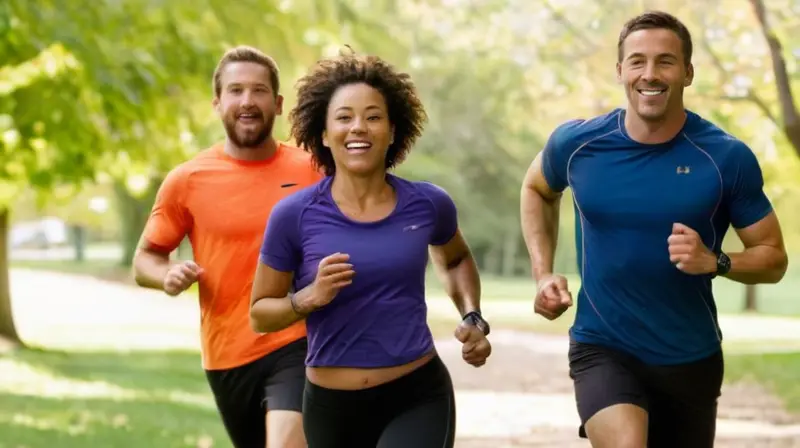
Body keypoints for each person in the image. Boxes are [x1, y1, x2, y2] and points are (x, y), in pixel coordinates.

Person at [520, 11, 788, 448]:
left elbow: (773, 257)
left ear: (687, 72)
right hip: (603, 344)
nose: (650, 73)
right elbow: (536, 189)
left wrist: (715, 261)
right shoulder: (578, 145)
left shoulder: (725, 158)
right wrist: (542, 272)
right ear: (621, 71)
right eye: (638, 61)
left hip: (690, 356)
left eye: (665, 61)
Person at [249, 50, 492, 448]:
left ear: (393, 130)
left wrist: (473, 315)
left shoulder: (428, 204)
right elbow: (260, 314)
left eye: (373, 116)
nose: (358, 127)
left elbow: (456, 257)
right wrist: (307, 299)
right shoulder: (293, 215)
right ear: (324, 134)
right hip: (330, 407)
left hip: (415, 395)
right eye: (344, 117)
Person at [133, 46, 322, 448]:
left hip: (299, 340)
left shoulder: (314, 170)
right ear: (218, 103)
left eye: (258, 90)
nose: (247, 101)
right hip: (227, 354)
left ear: (278, 103)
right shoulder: (187, 180)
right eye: (235, 90)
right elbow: (145, 258)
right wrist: (166, 273)